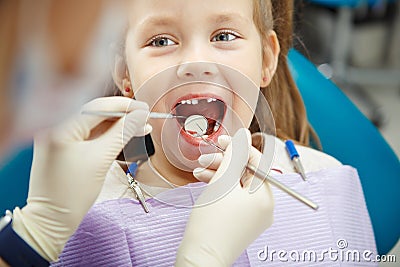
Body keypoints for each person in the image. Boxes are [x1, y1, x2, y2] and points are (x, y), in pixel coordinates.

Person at [0, 0, 377, 266]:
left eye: (224, 35)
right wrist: (34, 235)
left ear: (266, 59)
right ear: (125, 75)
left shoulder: (326, 180)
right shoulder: (82, 215)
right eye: (161, 41)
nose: (196, 64)